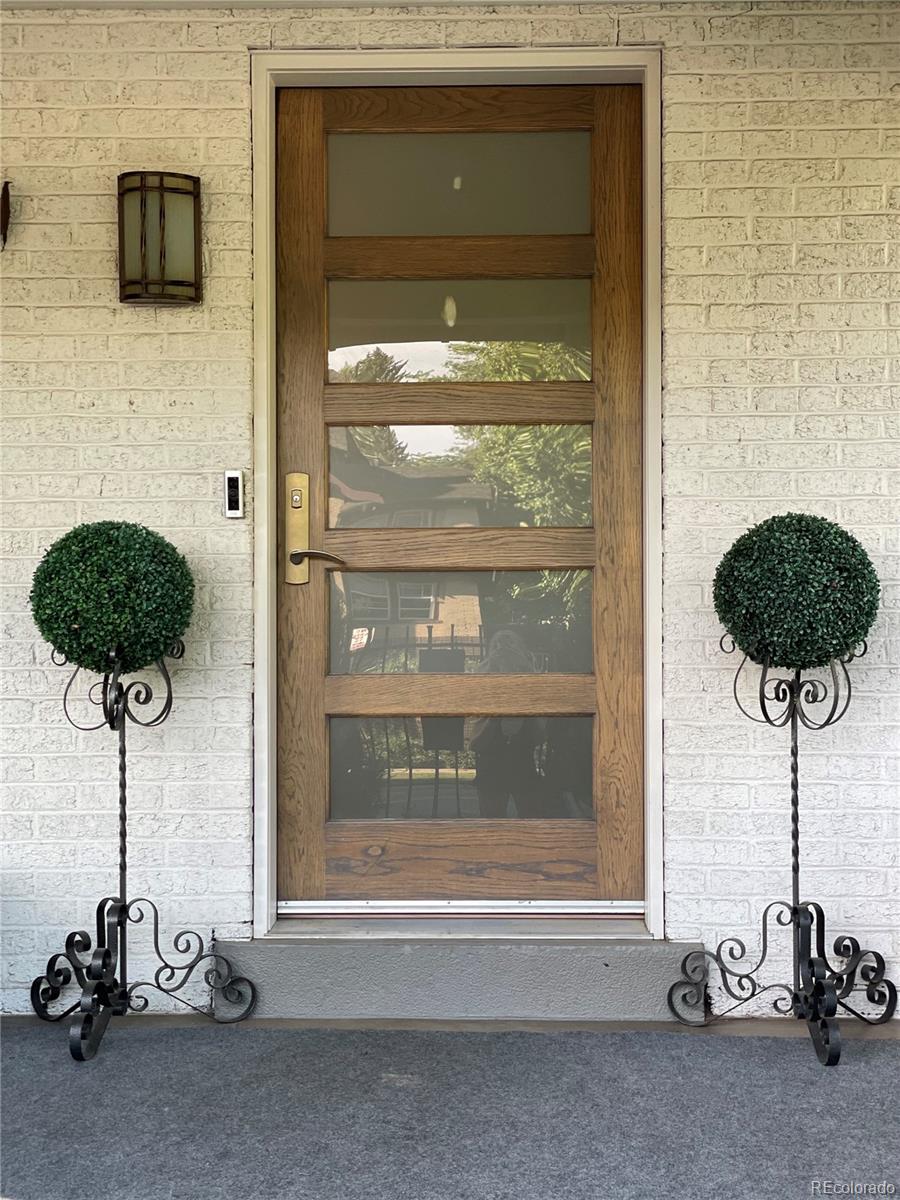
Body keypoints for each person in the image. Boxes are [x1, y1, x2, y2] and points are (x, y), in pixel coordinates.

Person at [469, 631, 547, 818]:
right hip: (494, 754)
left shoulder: (529, 681)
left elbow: (539, 730)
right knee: (495, 816)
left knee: (525, 814)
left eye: (510, 646)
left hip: (516, 756)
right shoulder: (483, 678)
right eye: (498, 647)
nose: (503, 651)